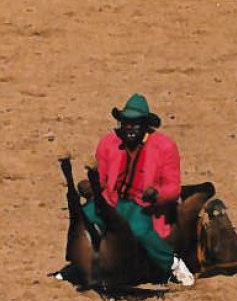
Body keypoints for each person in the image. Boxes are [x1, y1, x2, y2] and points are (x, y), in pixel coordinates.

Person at [80, 94, 195, 286]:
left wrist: (156, 194)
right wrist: (90, 186)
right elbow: (102, 179)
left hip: (143, 206)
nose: (130, 128)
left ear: (145, 125)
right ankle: (85, 265)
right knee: (84, 216)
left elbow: (173, 188)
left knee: (138, 229)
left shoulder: (165, 147)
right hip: (113, 201)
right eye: (126, 122)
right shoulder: (108, 143)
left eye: (136, 123)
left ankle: (174, 264)